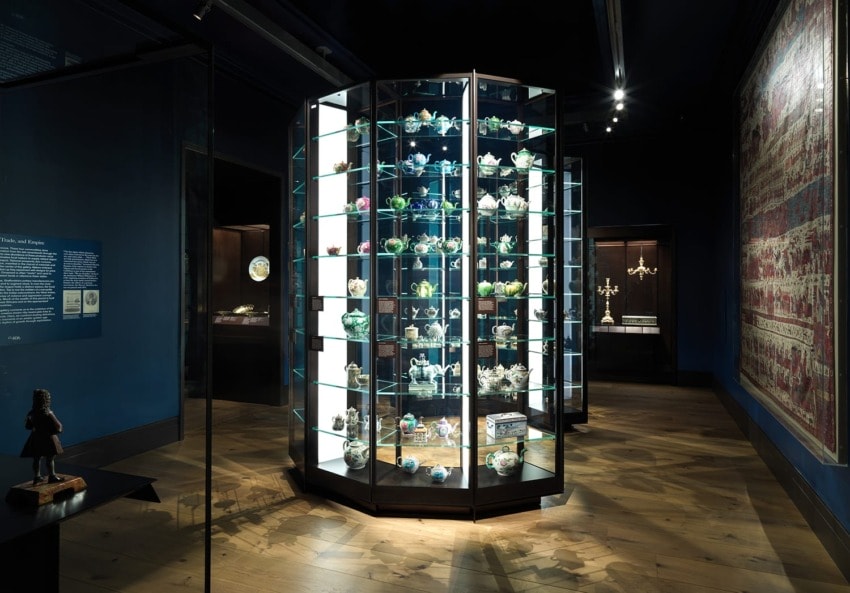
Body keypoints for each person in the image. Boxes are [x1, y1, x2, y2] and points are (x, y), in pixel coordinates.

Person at [20, 388, 64, 485]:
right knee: (50, 458)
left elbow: (28, 427)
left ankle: (37, 477)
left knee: (36, 458)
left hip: (36, 438)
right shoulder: (48, 413)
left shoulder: (31, 413)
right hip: (48, 438)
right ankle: (52, 476)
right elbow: (59, 427)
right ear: (46, 399)